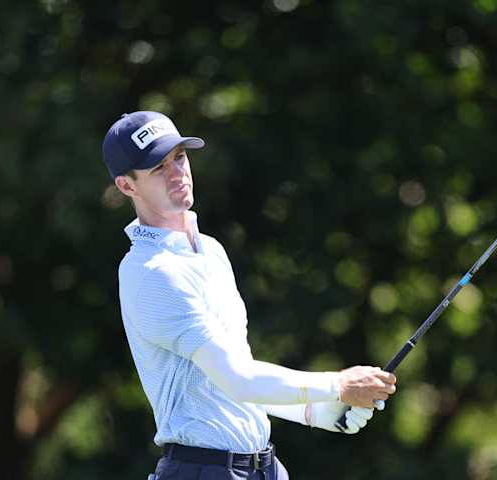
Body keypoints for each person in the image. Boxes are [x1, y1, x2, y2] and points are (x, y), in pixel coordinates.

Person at [102, 111, 397, 480]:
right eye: (158, 167)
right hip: (202, 471)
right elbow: (238, 378)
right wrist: (338, 385)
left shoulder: (210, 252)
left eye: (180, 157)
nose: (177, 173)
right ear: (127, 186)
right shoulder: (151, 272)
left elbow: (232, 375)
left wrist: (315, 411)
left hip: (263, 467)